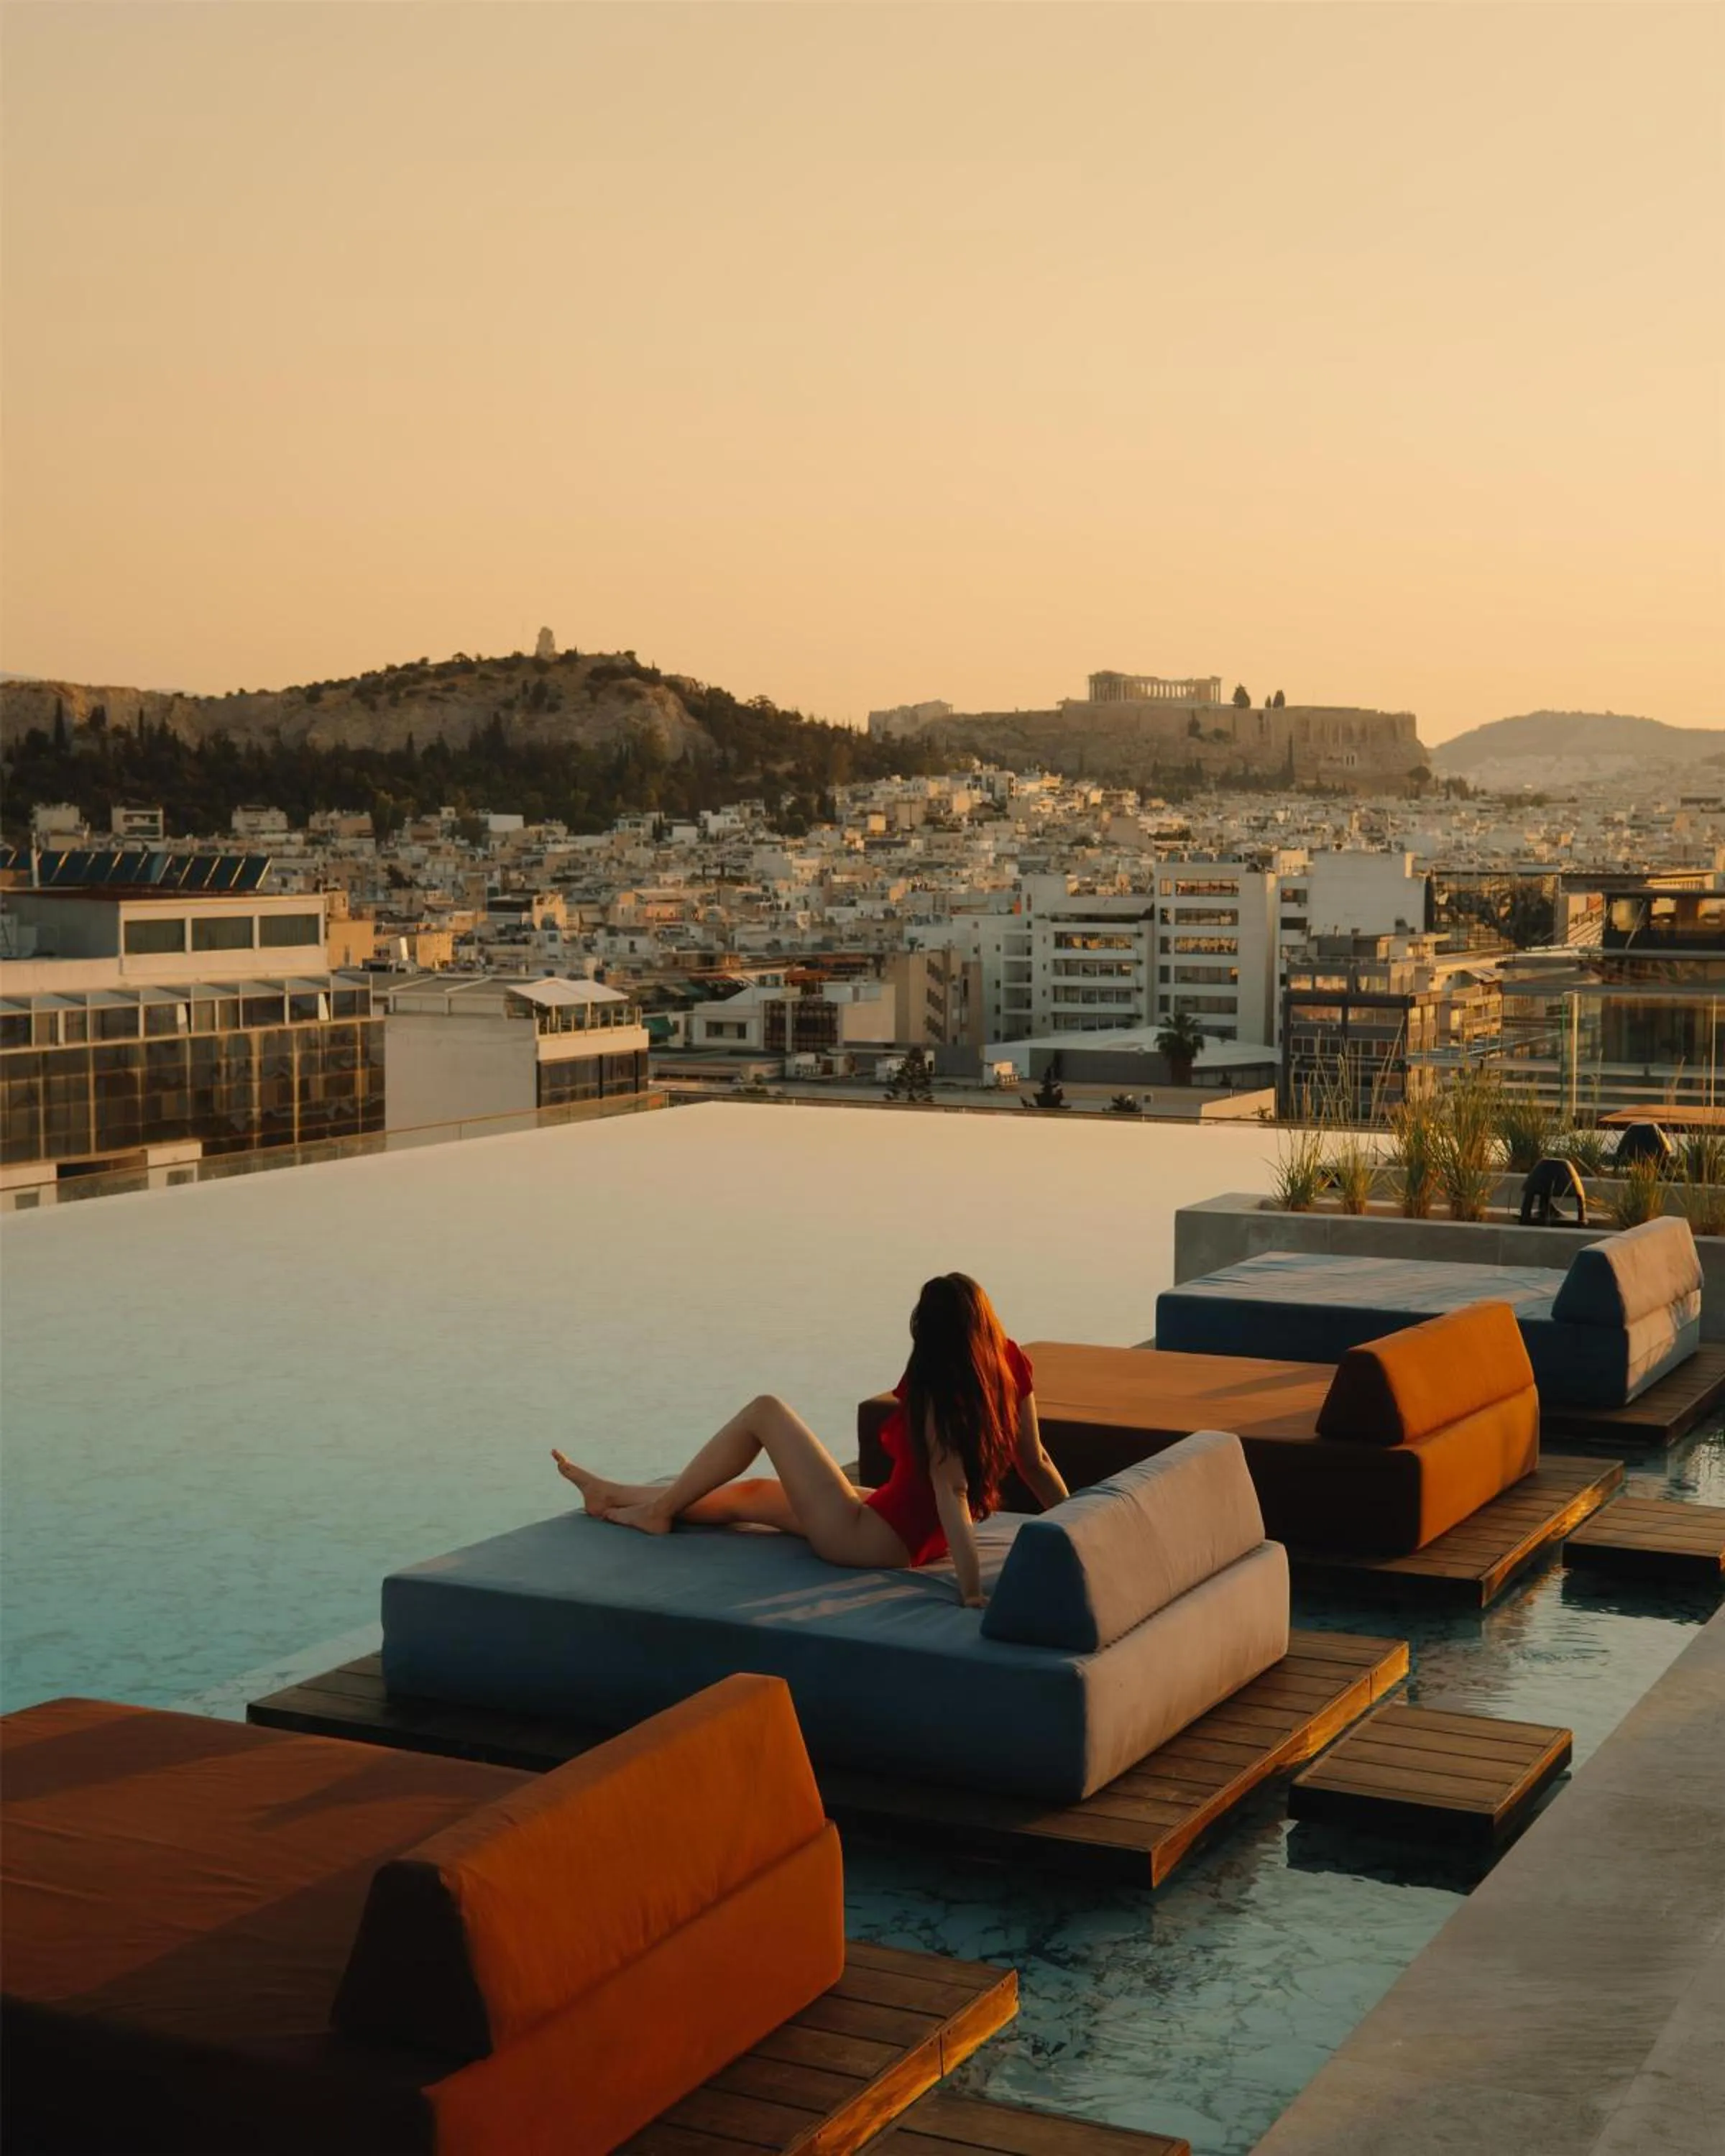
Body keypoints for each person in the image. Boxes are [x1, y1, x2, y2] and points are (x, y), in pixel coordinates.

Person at [553, 1273, 1069, 1608]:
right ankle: (615, 1494)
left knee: (765, 1412)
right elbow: (1036, 1461)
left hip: (873, 1539)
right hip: (907, 1528)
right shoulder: (1008, 1362)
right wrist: (1081, 1524)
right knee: (752, 1496)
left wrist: (972, 1592)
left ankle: (654, 1512)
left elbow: (950, 1491)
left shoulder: (939, 1388)